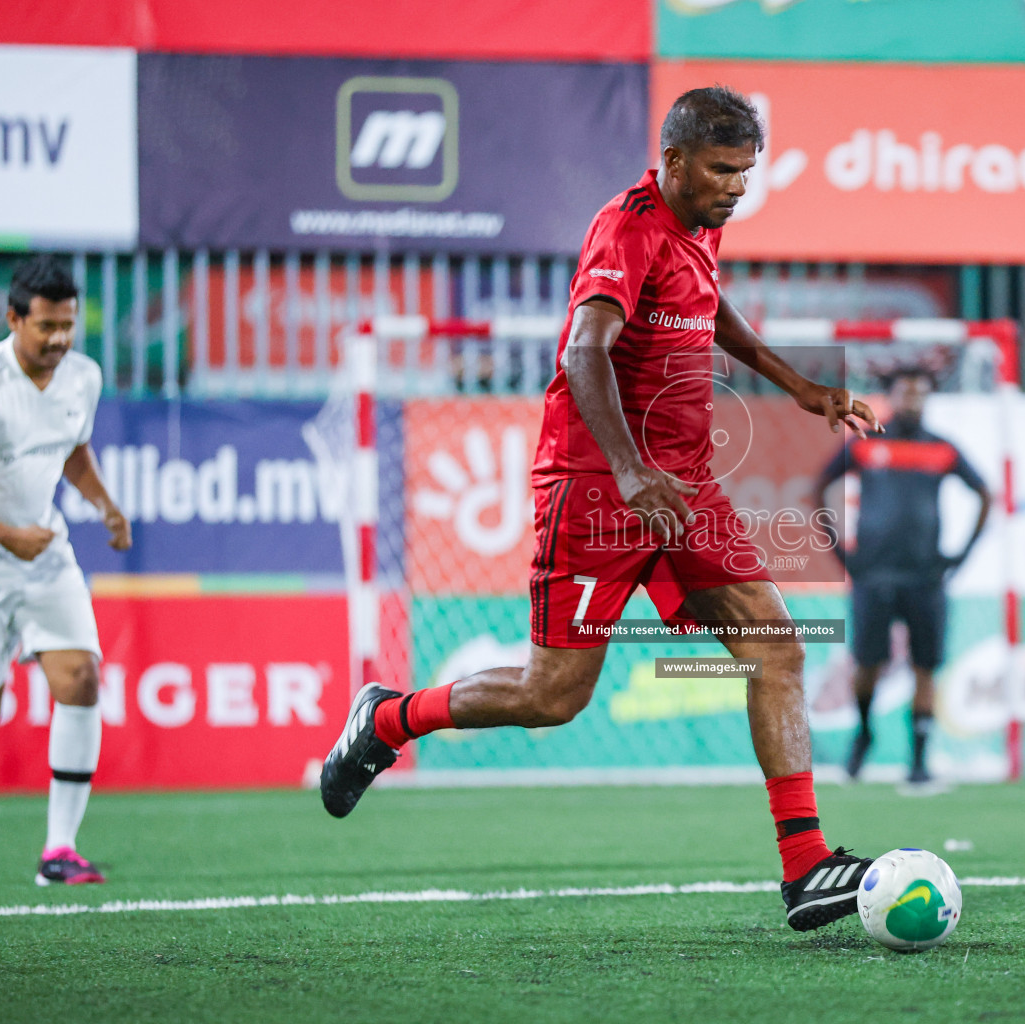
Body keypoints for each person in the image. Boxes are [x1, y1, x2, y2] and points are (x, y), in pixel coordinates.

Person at [320, 87, 885, 931]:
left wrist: (798, 385)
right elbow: (583, 350)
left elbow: (705, 306)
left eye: (748, 172)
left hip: (685, 485)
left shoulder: (699, 223)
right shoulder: (627, 226)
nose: (738, 187)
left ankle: (807, 866)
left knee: (775, 645)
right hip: (598, 489)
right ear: (675, 160)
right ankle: (391, 717)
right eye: (726, 171)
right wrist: (627, 471)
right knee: (554, 698)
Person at [0, 255, 131, 884]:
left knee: (80, 677)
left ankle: (59, 851)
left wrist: (103, 504)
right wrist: (5, 536)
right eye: (46, 325)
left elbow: (72, 450)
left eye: (68, 325)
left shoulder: (83, 377)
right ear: (13, 318)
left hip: (44, 551)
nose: (58, 339)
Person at [812, 368, 991, 785]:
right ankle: (864, 734)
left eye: (920, 394)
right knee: (867, 664)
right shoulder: (865, 444)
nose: (913, 401)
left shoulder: (943, 449)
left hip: (925, 577)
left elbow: (984, 494)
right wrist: (841, 552)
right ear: (891, 397)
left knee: (925, 667)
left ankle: (920, 760)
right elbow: (819, 487)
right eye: (905, 393)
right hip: (873, 575)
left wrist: (961, 555)